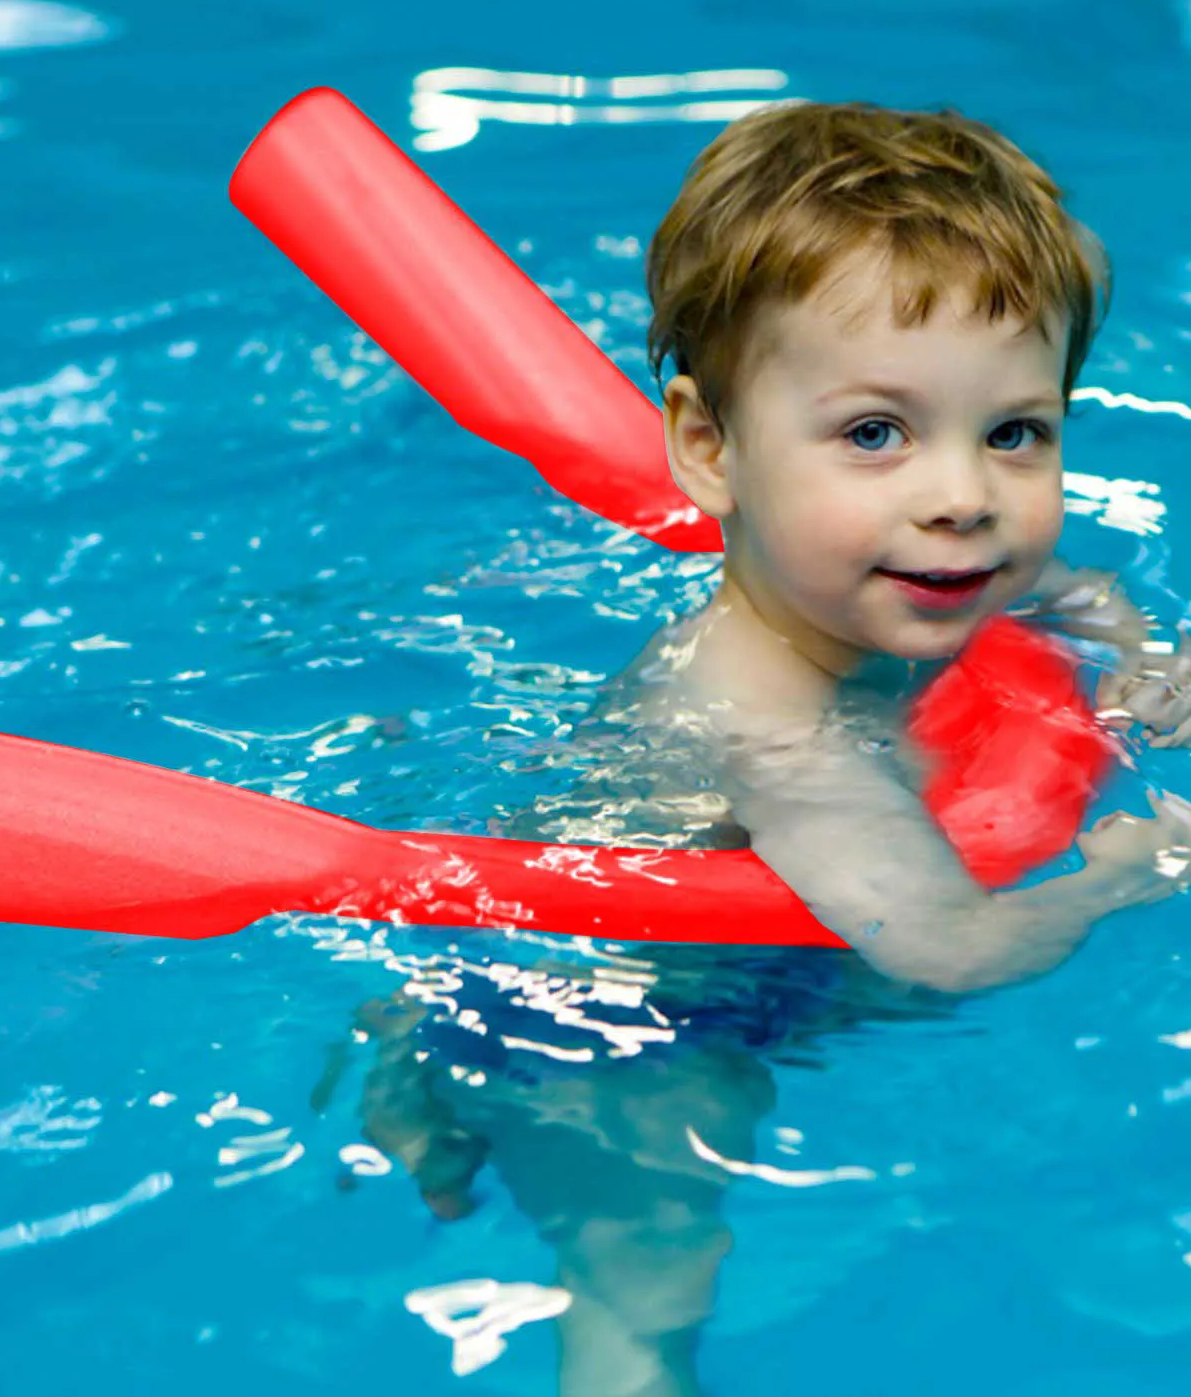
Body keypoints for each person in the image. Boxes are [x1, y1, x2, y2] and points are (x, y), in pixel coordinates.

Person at [326, 102, 1191, 1396]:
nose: (961, 495)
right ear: (708, 447)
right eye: (875, 434)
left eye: (1015, 432)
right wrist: (1125, 873)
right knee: (649, 1281)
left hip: (726, 957)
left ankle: (419, 1072)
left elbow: (1055, 582)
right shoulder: (773, 730)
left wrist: (1129, 649)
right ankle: (436, 1069)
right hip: (618, 1028)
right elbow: (953, 950)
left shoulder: (911, 570)